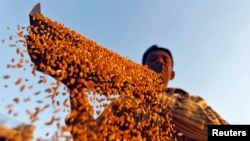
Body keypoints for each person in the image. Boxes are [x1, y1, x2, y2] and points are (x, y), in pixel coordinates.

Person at [141, 44, 229, 140]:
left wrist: (158, 99)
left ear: (172, 74)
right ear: (142, 69)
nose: (160, 61)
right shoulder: (127, 101)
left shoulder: (193, 100)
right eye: (153, 59)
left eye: (165, 60)